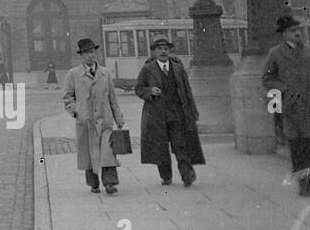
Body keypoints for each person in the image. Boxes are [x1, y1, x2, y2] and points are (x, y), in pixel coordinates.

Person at [262, 15, 310, 196]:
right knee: (298, 149)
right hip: (292, 109)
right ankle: (304, 185)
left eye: (299, 30)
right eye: (292, 31)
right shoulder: (275, 54)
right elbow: (267, 78)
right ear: (284, 34)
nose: (298, 33)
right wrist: (284, 90)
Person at [134, 38, 204, 187]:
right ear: (154, 52)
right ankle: (166, 176)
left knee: (180, 144)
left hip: (177, 114)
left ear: (170, 51)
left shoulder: (178, 68)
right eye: (159, 49)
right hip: (156, 116)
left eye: (165, 48)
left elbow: (187, 91)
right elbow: (138, 89)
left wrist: (193, 111)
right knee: (161, 147)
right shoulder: (147, 69)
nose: (163, 51)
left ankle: (187, 175)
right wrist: (150, 91)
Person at [62, 38, 124, 194]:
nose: (90, 55)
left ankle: (109, 183)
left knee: (108, 152)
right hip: (86, 121)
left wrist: (119, 118)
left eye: (92, 52)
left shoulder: (105, 73)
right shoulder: (73, 74)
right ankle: (93, 183)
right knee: (89, 155)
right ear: (81, 56)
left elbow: (112, 98)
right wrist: (77, 112)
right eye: (86, 53)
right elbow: (68, 97)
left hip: (105, 120)